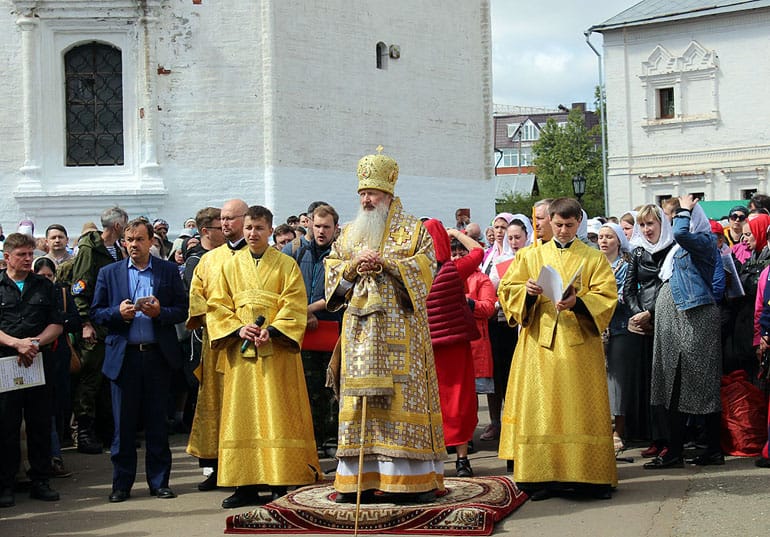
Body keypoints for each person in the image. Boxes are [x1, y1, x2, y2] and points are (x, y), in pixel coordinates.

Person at [324, 150, 445, 503]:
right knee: (361, 406)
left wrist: (389, 263)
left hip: (401, 332)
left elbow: (427, 269)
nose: (366, 199)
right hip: (359, 337)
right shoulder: (349, 233)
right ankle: (356, 480)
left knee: (400, 403)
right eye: (362, 193)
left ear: (388, 194)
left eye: (372, 193)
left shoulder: (413, 230)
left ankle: (409, 482)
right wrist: (351, 268)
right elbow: (333, 278)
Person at [497, 197, 618, 501]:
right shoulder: (530, 256)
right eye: (558, 224)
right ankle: (541, 477)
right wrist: (526, 292)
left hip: (579, 346)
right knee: (543, 409)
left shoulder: (593, 259)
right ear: (549, 221)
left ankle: (588, 477)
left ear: (579, 223)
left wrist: (579, 303)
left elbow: (606, 296)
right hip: (540, 345)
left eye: (569, 225)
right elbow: (507, 288)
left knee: (579, 408)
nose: (563, 230)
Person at [207, 205, 319, 508]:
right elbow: (217, 305)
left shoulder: (285, 265)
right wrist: (237, 329)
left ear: (270, 231)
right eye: (248, 228)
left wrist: (275, 329)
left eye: (258, 228)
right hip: (241, 355)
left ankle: (280, 479)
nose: (252, 233)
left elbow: (295, 303)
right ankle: (244, 484)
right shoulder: (229, 266)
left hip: (276, 353)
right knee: (242, 416)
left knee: (277, 413)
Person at [90, 218, 188, 502]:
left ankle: (160, 483)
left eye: (139, 239)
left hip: (157, 356)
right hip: (125, 358)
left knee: (158, 422)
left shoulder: (168, 271)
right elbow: (96, 313)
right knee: (124, 425)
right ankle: (121, 485)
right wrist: (117, 313)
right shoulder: (110, 273)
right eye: (129, 240)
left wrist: (161, 313)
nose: (134, 245)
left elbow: (182, 309)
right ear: (124, 242)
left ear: (151, 242)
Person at [644, 196, 722, 469]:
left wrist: (685, 209)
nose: (674, 220)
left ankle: (700, 449)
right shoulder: (675, 249)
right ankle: (685, 450)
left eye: (680, 215)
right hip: (673, 320)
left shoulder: (703, 240)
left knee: (697, 382)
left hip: (694, 318)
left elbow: (680, 231)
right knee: (673, 382)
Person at [186, 200, 248, 493]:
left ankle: (247, 468)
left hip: (246, 344)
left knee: (244, 407)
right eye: (221, 219)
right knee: (215, 405)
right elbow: (197, 296)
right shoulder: (208, 260)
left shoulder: (256, 255)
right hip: (215, 344)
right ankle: (215, 467)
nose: (224, 224)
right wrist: (216, 318)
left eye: (230, 218)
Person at [0, 233, 64, 507]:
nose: (28, 260)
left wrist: (34, 344)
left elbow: (57, 323)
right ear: (7, 258)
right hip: (6, 363)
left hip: (38, 362)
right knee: (6, 427)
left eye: (30, 254)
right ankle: (6, 483)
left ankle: (40, 479)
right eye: (22, 255)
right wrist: (16, 344)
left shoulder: (44, 286)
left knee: (39, 423)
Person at [424, 220, 483, 478]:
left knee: (429, 403)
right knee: (460, 400)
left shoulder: (414, 273)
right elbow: (479, 252)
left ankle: (432, 461)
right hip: (456, 345)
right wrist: (457, 233)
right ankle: (462, 460)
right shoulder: (454, 269)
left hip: (426, 346)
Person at [70, 206, 128, 454]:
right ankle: (84, 432)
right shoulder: (89, 250)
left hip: (112, 321)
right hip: (94, 323)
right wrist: (84, 322)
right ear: (117, 226)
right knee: (90, 378)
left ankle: (108, 431)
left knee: (109, 378)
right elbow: (79, 288)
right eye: (125, 224)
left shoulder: (118, 250)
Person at [285, 204, 342, 455]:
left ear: (335, 228)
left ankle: (331, 438)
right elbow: (282, 286)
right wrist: (302, 312)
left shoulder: (340, 255)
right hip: (301, 331)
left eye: (326, 227)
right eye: (317, 225)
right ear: (308, 224)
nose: (321, 231)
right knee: (305, 388)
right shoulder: (293, 251)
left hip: (332, 328)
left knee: (332, 386)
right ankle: (311, 439)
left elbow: (341, 291)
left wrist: (311, 310)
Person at [624, 204, 676, 456]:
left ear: (661, 224)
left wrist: (652, 313)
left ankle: (670, 438)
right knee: (646, 383)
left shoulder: (673, 249)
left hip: (664, 322)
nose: (646, 230)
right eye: (642, 225)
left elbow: (673, 286)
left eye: (650, 224)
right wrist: (638, 312)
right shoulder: (638, 253)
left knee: (665, 384)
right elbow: (629, 288)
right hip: (642, 326)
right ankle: (653, 436)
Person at [33, 257, 81, 477]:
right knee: (43, 411)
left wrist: (58, 323)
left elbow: (74, 320)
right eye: (41, 276)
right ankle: (52, 458)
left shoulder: (61, 293)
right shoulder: (30, 296)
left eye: (49, 276)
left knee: (58, 406)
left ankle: (56, 453)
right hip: (34, 358)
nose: (46, 279)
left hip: (58, 357)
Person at [598, 223, 641, 450]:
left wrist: (603, 299)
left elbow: (625, 293)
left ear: (618, 241)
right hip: (596, 328)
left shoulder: (625, 265)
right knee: (600, 379)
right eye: (601, 237)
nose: (604, 241)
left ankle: (618, 430)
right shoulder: (594, 264)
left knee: (618, 380)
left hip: (620, 326)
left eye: (609, 237)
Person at [450, 237, 497, 439]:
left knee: (471, 395)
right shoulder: (442, 276)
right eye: (454, 253)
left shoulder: (480, 279)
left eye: (463, 253)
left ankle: (467, 436)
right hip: (451, 341)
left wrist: (467, 303)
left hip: (475, 343)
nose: (458, 257)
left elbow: (488, 308)